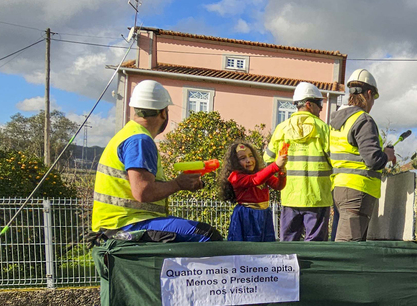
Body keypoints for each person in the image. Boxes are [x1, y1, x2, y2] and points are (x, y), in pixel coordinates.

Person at [91, 79, 222, 241]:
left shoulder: (128, 134)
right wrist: (178, 184)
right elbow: (143, 192)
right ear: (163, 113)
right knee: (207, 235)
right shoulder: (140, 140)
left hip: (119, 224)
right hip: (128, 224)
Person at [329, 69, 396, 241]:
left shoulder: (338, 121)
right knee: (348, 249)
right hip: (357, 191)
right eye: (373, 98)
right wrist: (387, 155)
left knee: (344, 242)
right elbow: (373, 160)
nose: (372, 103)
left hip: (340, 188)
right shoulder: (363, 120)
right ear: (368, 94)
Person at [264, 83, 333, 241]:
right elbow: (335, 161)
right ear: (309, 104)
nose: (321, 109)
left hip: (290, 196)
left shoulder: (281, 129)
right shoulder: (324, 129)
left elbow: (267, 161)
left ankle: (289, 267)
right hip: (318, 197)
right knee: (316, 247)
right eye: (319, 104)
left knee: (288, 246)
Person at [219, 140, 288, 241]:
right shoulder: (235, 176)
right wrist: (276, 165)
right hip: (247, 215)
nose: (249, 160)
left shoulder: (261, 173)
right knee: (248, 247)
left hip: (264, 213)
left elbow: (278, 185)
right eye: (242, 158)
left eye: (251, 156)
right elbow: (254, 180)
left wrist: (282, 173)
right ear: (235, 163)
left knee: (266, 246)